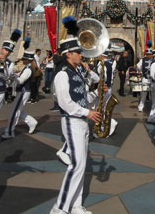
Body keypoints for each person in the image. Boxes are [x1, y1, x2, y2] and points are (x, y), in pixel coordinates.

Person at [49, 19, 103, 214]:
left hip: (81, 121)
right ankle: (60, 208)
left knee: (81, 165)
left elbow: (82, 97)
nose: (82, 55)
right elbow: (65, 103)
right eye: (78, 52)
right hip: (72, 121)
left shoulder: (77, 73)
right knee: (76, 165)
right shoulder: (62, 74)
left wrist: (98, 94)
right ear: (68, 54)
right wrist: (87, 112)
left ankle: (76, 205)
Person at [2, 43, 38, 139]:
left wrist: (13, 75)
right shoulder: (27, 68)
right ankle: (32, 122)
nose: (22, 60)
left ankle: (9, 131)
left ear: (28, 60)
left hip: (23, 91)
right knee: (17, 110)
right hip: (23, 91)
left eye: (24, 59)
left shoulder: (28, 69)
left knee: (14, 112)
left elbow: (21, 81)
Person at [136, 45, 155, 112]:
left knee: (153, 95)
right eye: (148, 54)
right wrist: (140, 71)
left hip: (152, 79)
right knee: (143, 93)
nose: (149, 55)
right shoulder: (143, 60)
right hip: (145, 78)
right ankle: (141, 106)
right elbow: (138, 66)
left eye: (150, 54)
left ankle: (153, 107)